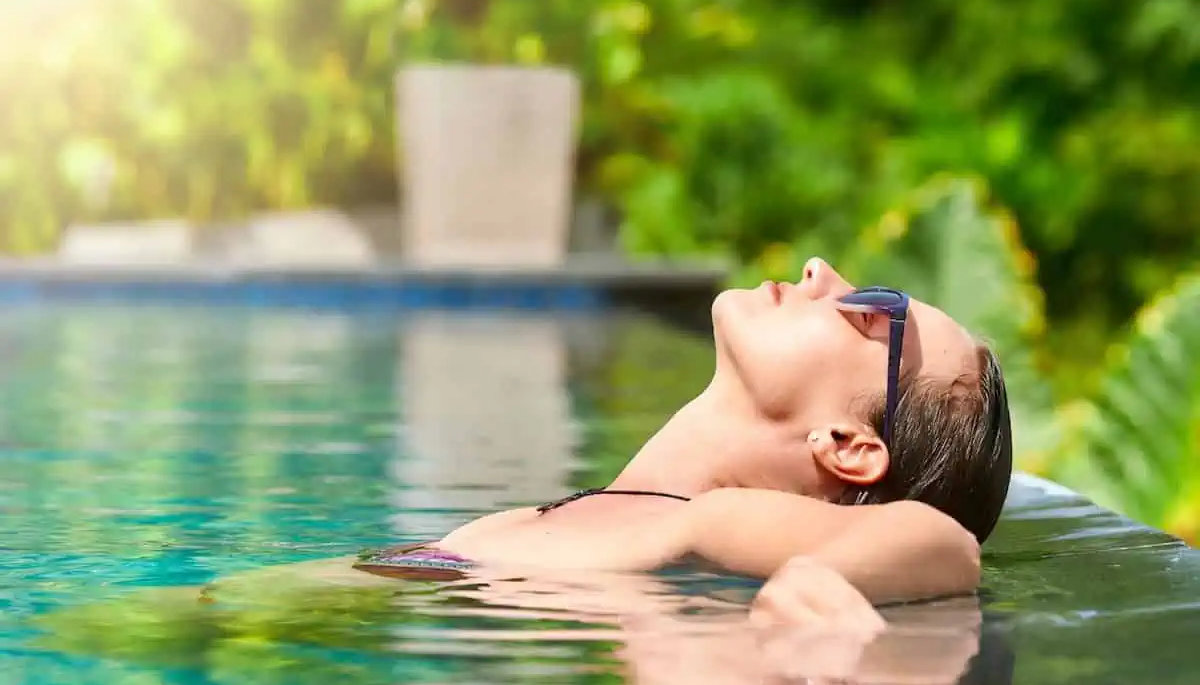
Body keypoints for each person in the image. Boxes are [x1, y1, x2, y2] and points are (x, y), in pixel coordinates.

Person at [354, 257, 1013, 610]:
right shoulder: (633, 521)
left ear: (847, 446)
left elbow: (944, 547)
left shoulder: (700, 531)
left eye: (877, 312)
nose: (821, 272)